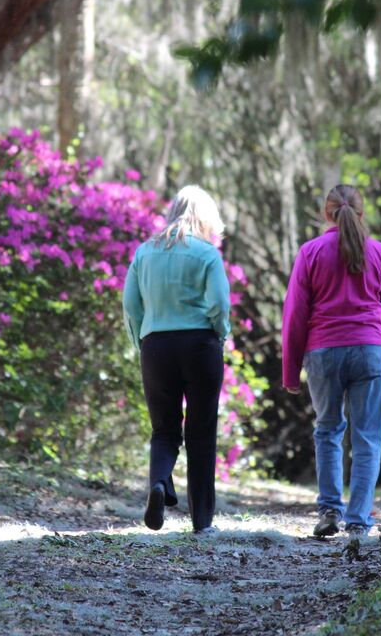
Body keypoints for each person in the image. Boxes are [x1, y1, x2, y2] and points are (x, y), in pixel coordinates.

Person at [282, 185, 381, 540]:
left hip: (324, 352)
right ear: (361, 213)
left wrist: (290, 369)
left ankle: (329, 511)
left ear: (326, 213)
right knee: (367, 438)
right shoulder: (379, 252)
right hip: (372, 349)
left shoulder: (310, 252)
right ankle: (359, 520)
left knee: (328, 429)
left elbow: (295, 315)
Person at [122, 185, 231, 534]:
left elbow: (130, 305)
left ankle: (159, 484)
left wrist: (142, 338)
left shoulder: (144, 252)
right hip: (200, 345)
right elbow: (219, 304)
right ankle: (202, 521)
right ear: (206, 218)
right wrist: (221, 333)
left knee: (164, 429)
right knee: (201, 432)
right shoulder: (206, 254)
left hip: (156, 345)